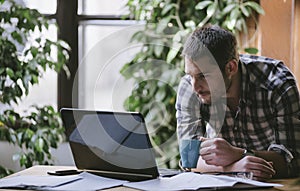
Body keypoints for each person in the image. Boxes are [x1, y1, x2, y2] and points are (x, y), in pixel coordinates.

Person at [176, 24, 300, 181]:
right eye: (190, 75)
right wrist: (235, 168)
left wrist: (240, 153)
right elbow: (188, 159)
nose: (195, 87)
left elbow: (294, 160)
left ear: (230, 68)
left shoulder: (277, 84)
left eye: (203, 76)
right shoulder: (189, 88)